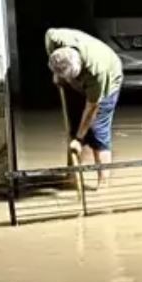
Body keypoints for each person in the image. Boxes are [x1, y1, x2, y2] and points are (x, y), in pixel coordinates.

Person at [45, 28, 123, 189]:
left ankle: (103, 182)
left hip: (109, 81)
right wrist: (57, 74)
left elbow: (91, 108)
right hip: (79, 80)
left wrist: (79, 139)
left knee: (97, 131)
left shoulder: (98, 72)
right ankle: (72, 176)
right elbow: (48, 34)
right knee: (74, 127)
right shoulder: (56, 39)